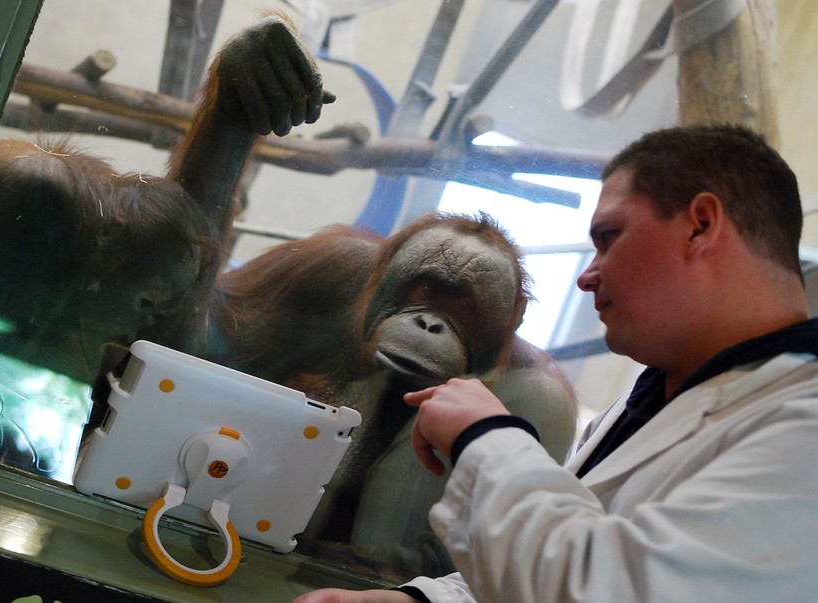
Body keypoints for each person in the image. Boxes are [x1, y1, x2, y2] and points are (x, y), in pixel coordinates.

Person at [292, 124, 818, 602]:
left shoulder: (804, 430)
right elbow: (565, 559)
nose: (587, 277)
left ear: (700, 226)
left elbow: (611, 592)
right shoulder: (653, 398)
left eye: (609, 238)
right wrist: (417, 601)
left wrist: (485, 435)